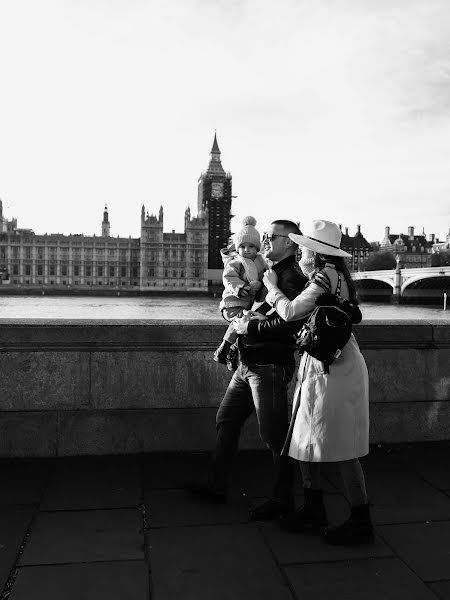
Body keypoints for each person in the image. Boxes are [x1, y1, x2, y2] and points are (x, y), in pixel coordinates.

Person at [188, 220, 308, 520]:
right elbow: (239, 296)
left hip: (269, 365)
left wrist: (250, 324)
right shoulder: (265, 268)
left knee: (273, 435)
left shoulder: (290, 277)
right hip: (248, 362)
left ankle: (283, 500)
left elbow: (290, 325)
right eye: (264, 235)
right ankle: (216, 486)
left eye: (272, 236)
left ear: (291, 243)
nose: (266, 240)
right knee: (226, 420)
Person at [263, 219, 373, 545]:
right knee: (306, 436)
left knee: (339, 445)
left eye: (302, 247)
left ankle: (359, 518)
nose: (298, 252)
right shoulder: (337, 278)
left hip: (331, 369)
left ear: (317, 252)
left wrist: (271, 286)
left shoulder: (325, 276)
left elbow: (292, 311)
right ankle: (315, 507)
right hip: (331, 362)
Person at [214, 216, 267, 368]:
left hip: (246, 305)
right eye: (242, 247)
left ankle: (233, 352)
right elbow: (228, 278)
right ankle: (225, 348)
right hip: (232, 303)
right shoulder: (235, 262)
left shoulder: (261, 262)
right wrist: (239, 288)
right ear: (237, 248)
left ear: (257, 248)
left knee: (246, 322)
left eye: (251, 246)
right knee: (241, 320)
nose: (246, 250)